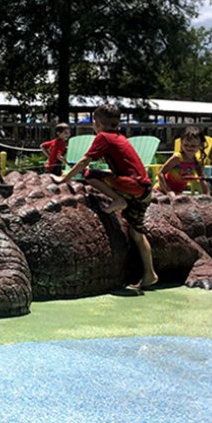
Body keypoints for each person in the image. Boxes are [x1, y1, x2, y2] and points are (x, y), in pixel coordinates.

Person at [53, 104, 157, 292]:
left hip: (131, 187)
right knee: (136, 233)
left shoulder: (103, 137)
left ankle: (118, 200)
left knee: (89, 174)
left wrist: (64, 178)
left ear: (97, 123)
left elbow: (85, 162)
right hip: (145, 190)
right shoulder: (119, 137)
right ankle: (150, 274)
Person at [156, 126, 208, 196]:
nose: (189, 148)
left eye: (193, 146)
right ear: (181, 143)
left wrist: (207, 194)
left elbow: (203, 179)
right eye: (185, 145)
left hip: (177, 193)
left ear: (200, 145)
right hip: (160, 191)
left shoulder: (196, 162)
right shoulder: (177, 158)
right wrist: (168, 191)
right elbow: (161, 173)